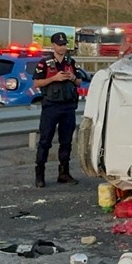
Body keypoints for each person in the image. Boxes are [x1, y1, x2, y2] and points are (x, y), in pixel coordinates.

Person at [33, 31, 84, 187]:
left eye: (64, 45)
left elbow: (80, 82)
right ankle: (40, 175)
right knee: (45, 141)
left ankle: (64, 172)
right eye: (59, 45)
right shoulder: (45, 63)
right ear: (53, 45)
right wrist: (54, 78)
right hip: (51, 106)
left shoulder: (71, 62)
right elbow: (37, 83)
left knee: (66, 141)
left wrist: (72, 77)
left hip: (68, 106)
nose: (62, 48)